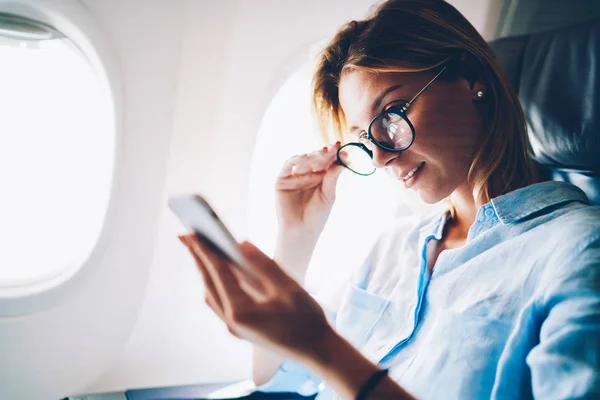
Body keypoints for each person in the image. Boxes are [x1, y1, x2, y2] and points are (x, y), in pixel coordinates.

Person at [179, 0, 600, 399]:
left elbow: (324, 357)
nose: (379, 156)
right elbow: (276, 379)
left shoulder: (578, 249)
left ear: (474, 80)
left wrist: (323, 346)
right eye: (365, 136)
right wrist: (296, 236)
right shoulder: (394, 248)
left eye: (393, 115)